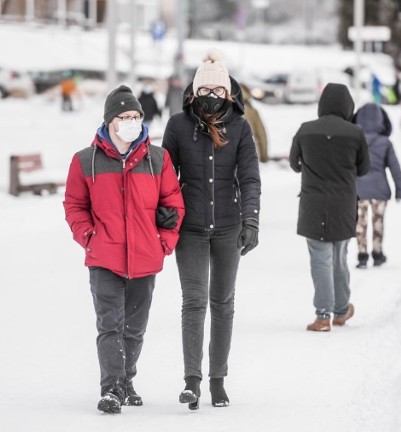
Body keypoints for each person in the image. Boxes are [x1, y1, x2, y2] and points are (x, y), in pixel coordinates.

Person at [63, 85, 184, 414]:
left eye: (136, 116)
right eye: (125, 117)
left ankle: (126, 379)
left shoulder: (157, 158)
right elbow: (75, 205)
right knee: (109, 324)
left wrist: (163, 242)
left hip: (145, 256)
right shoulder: (85, 161)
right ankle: (112, 386)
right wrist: (89, 237)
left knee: (135, 326)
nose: (132, 122)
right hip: (104, 256)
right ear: (110, 121)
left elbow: (173, 204)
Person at [162, 51, 261, 410]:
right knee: (194, 302)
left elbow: (249, 177)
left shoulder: (239, 126)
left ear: (229, 92)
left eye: (218, 89)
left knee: (222, 304)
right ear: (194, 90)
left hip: (228, 229)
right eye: (205, 88)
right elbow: (163, 177)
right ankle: (192, 381)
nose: (212, 95)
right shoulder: (177, 126)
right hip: (189, 229)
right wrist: (164, 210)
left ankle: (218, 379)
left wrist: (251, 219)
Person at [289, 83, 370, 332]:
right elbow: (364, 168)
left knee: (320, 260)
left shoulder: (305, 130)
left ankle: (323, 316)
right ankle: (342, 309)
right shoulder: (355, 133)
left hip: (313, 204)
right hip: (343, 204)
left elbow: (294, 163)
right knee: (339, 258)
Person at [353, 103, 401, 269]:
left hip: (358, 189)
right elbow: (395, 168)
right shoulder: (385, 142)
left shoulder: (353, 141)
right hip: (380, 189)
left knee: (360, 223)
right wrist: (399, 190)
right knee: (378, 222)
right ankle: (377, 253)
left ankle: (362, 254)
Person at [240, 83, 269, 162]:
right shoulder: (251, 110)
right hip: (249, 157)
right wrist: (264, 157)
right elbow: (261, 134)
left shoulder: (223, 108)